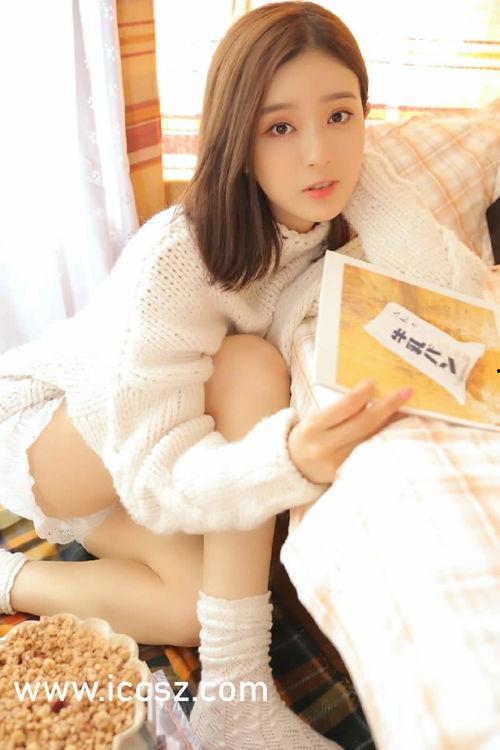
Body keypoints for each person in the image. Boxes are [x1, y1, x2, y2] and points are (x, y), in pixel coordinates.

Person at [0, 2, 491, 748]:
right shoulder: (180, 255)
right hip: (58, 435)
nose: (319, 154)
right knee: (250, 364)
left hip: (153, 438)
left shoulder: (333, 203)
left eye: (340, 115)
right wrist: (287, 459)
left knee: (199, 609)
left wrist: (370, 181)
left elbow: (455, 304)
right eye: (280, 128)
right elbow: (156, 476)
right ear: (238, 135)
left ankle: (15, 584)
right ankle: (240, 690)